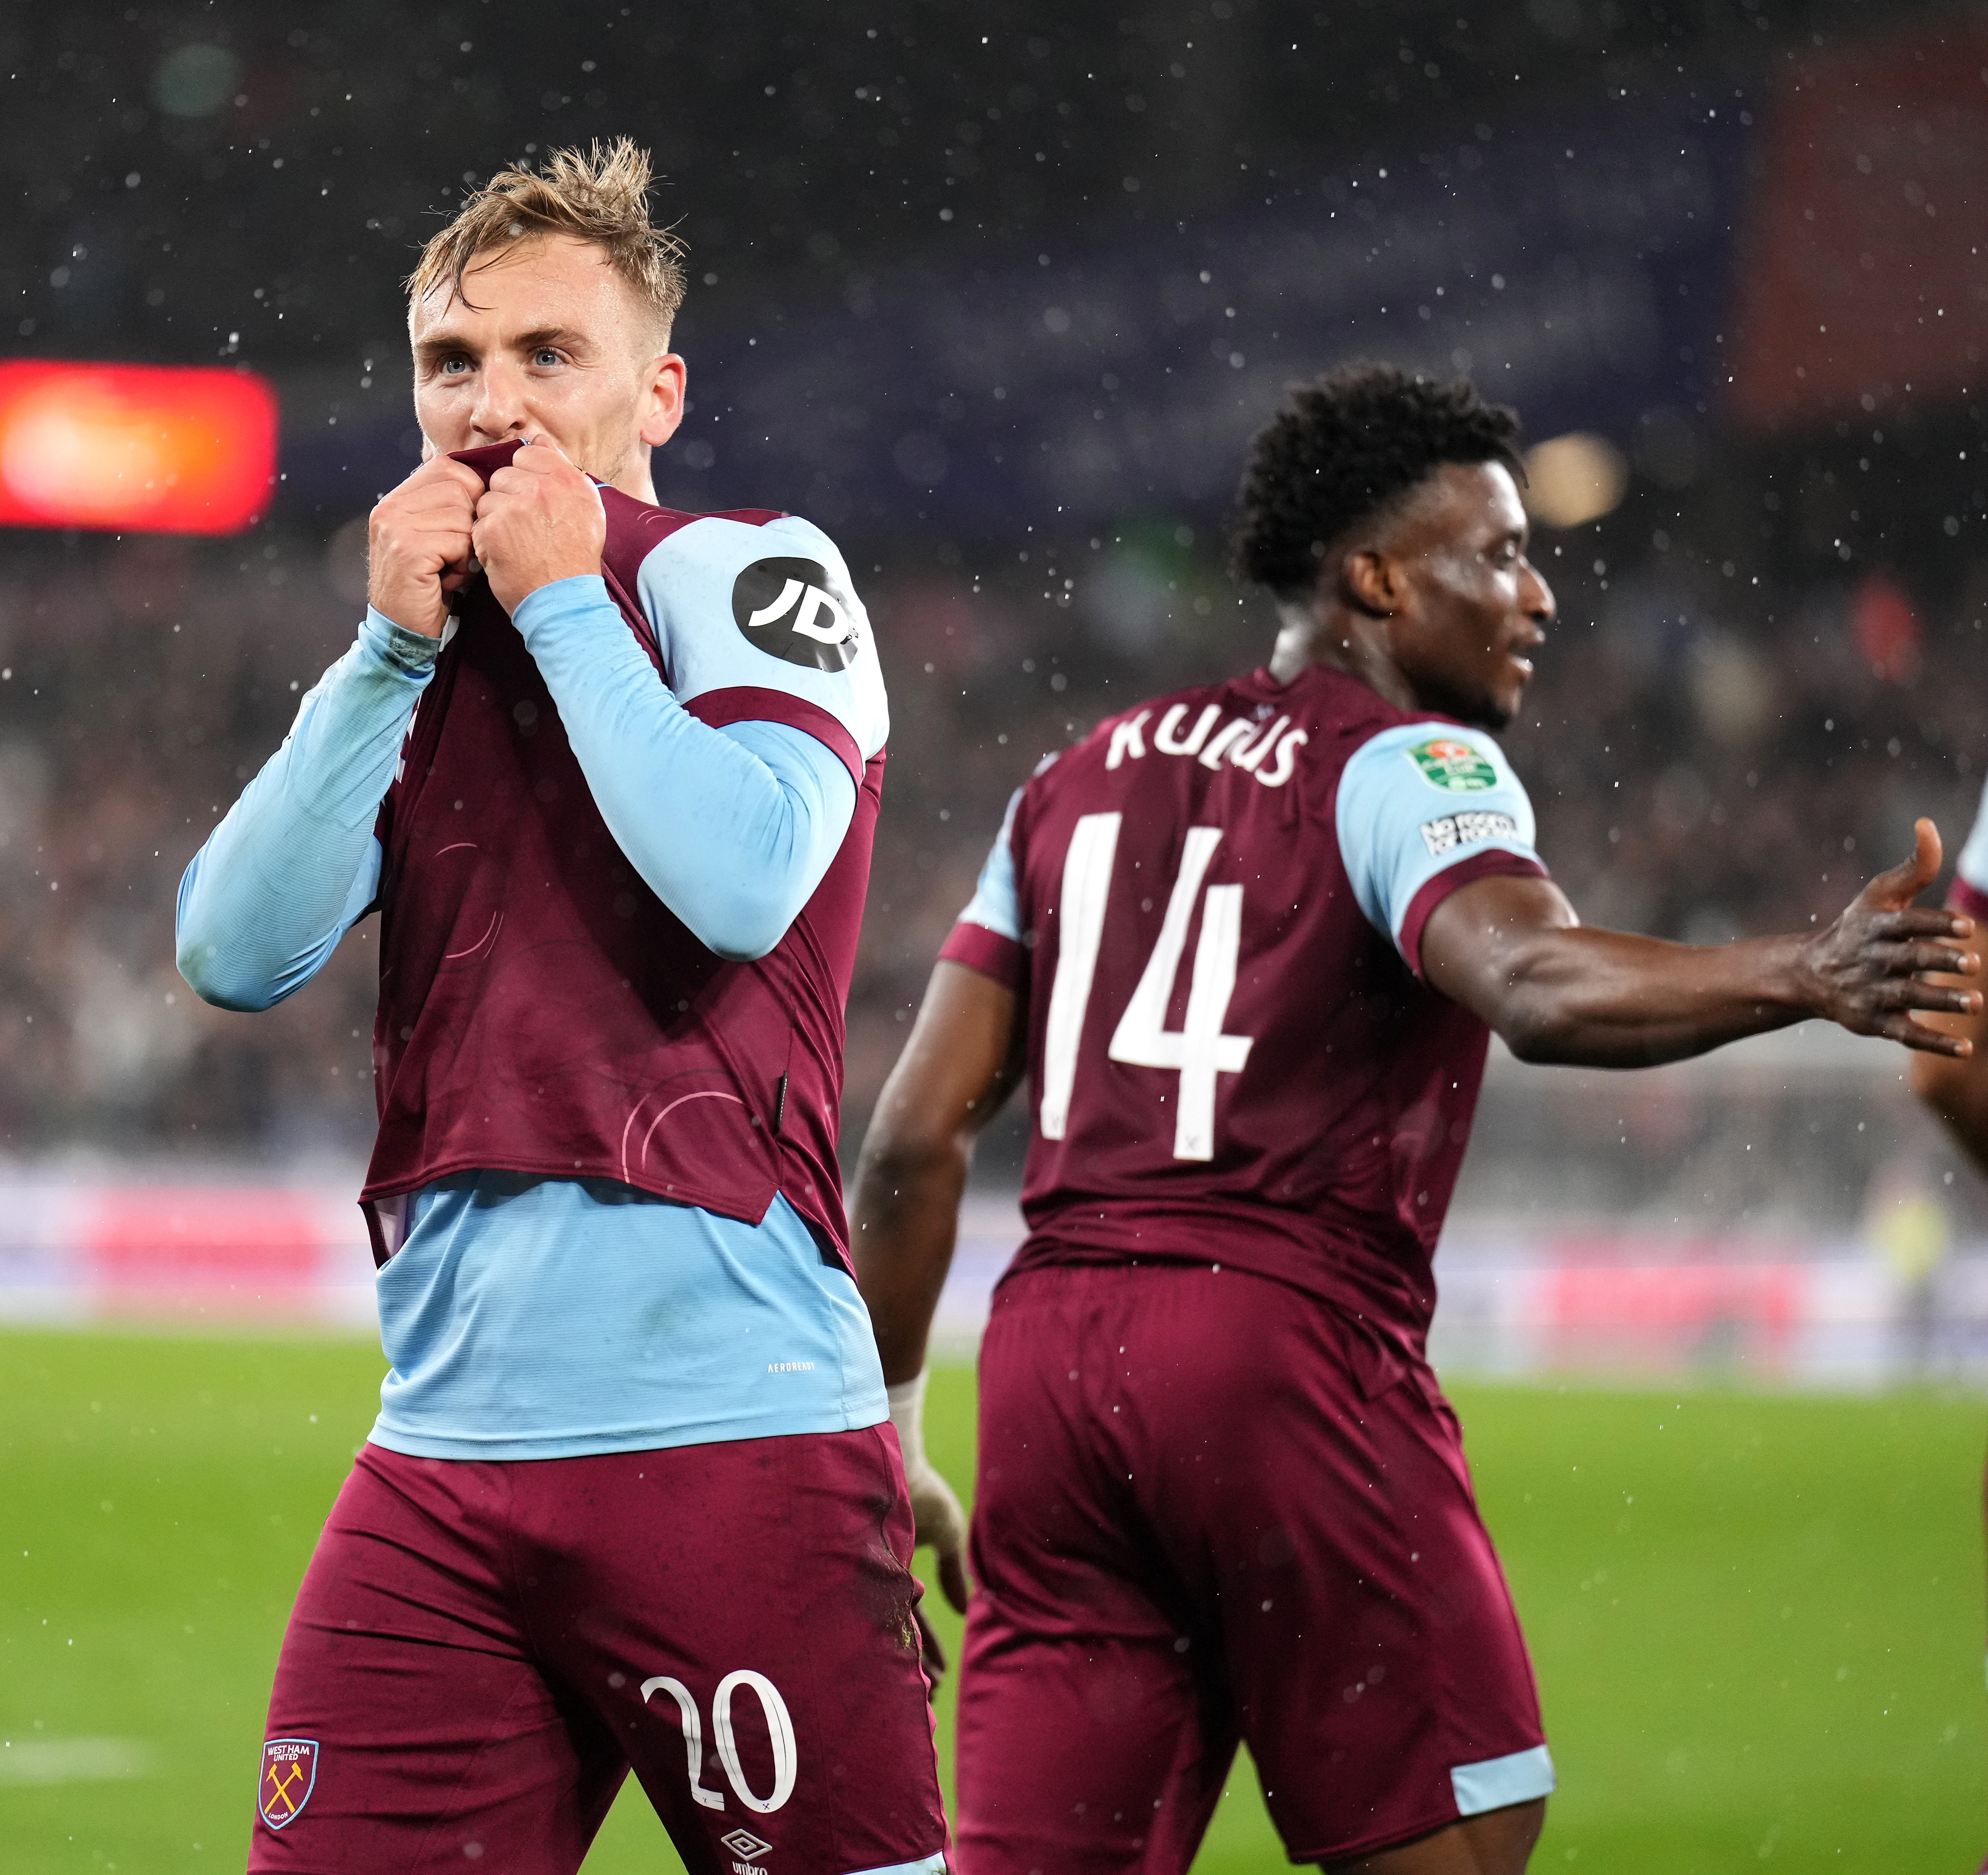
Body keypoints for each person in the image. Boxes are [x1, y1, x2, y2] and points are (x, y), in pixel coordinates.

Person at [845, 363, 1975, 1875]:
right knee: (1460, 1829)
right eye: (1497, 555)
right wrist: (1805, 967)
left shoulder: (1072, 775)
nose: (1537, 598)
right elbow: (1529, 984)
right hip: (1278, 1349)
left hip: (1051, 1372)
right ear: (1370, 578)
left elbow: (913, 1142)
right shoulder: (1411, 764)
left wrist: (894, 1432)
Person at [177, 140, 947, 1875]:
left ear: (654, 389)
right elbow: (230, 950)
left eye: (548, 356)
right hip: (440, 1456)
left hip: (729, 1439)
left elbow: (745, 873)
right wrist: (383, 653)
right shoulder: (418, 645)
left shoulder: (750, 572)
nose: (490, 401)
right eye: (452, 362)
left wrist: (562, 604)